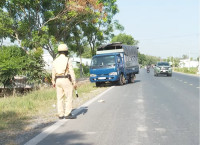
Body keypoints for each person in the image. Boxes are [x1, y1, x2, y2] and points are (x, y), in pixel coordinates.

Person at [52, 44, 77, 119]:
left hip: (57, 80)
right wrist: (74, 81)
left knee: (59, 98)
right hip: (65, 79)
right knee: (68, 97)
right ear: (66, 51)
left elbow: (53, 71)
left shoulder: (55, 60)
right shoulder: (68, 59)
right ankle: (67, 114)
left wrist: (53, 81)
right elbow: (71, 71)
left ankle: (60, 114)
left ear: (59, 51)